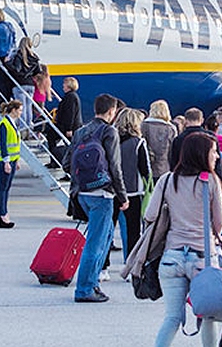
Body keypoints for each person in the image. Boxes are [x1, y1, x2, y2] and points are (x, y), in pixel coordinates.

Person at [147, 133, 222, 347]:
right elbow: (219, 224)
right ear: (202, 154)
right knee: (208, 316)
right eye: (212, 152)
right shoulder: (210, 182)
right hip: (203, 258)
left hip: (172, 257)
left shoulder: (167, 180)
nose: (216, 156)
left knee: (172, 317)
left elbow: (150, 215)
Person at [63, 93, 129, 303]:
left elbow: (66, 162)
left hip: (82, 193)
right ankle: (84, 289)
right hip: (102, 194)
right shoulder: (109, 131)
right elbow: (115, 167)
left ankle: (93, 283)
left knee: (106, 236)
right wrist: (122, 195)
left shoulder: (81, 131)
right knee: (96, 242)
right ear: (112, 111)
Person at [114, 107, 151, 258]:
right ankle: (130, 263)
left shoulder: (111, 139)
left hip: (111, 190)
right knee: (133, 230)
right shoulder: (138, 142)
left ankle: (102, 268)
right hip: (133, 190)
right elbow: (145, 169)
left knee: (107, 231)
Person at [0, 100, 23, 228]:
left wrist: (16, 160)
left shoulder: (12, 123)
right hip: (5, 160)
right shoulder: (4, 124)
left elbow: (14, 144)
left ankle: (4, 213)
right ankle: (2, 214)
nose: (21, 112)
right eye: (20, 110)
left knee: (7, 187)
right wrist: (6, 161)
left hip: (12, 160)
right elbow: (4, 144)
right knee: (3, 186)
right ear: (14, 110)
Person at [47, 76, 83, 166]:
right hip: (68, 126)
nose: (63, 85)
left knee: (51, 137)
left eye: (65, 83)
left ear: (69, 85)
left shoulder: (70, 97)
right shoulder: (71, 96)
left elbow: (69, 114)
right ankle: (56, 161)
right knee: (66, 145)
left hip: (69, 127)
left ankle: (57, 161)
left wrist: (69, 129)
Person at [8, 37, 39, 136]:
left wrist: (7, 63)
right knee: (29, 107)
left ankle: (22, 129)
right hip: (30, 85)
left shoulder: (19, 55)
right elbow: (38, 71)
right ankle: (30, 128)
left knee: (21, 108)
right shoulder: (34, 56)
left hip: (20, 84)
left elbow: (17, 70)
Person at [141, 100, 177, 179]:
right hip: (165, 169)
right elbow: (172, 151)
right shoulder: (171, 128)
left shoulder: (144, 126)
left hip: (148, 168)